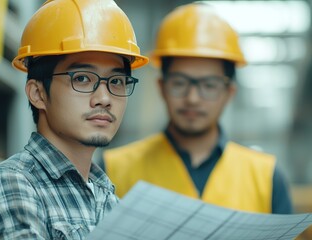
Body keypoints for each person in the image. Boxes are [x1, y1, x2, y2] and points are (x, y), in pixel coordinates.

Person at [0, 0, 148, 239]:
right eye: (82, 78)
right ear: (38, 94)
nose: (104, 98)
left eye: (116, 82)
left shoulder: (110, 201)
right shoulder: (11, 184)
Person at [103, 3, 292, 214]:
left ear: (229, 92)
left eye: (209, 85)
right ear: (162, 87)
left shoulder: (267, 178)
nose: (192, 98)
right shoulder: (112, 170)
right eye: (180, 83)